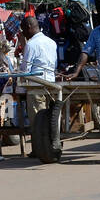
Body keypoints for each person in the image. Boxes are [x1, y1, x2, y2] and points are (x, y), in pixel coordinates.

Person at [18, 16, 59, 157]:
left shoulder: (31, 45)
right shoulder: (51, 42)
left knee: (37, 119)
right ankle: (50, 145)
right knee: (50, 117)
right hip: (51, 84)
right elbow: (54, 63)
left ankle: (39, 149)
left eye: (23, 29)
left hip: (36, 86)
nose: (23, 33)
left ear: (29, 26)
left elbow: (25, 69)